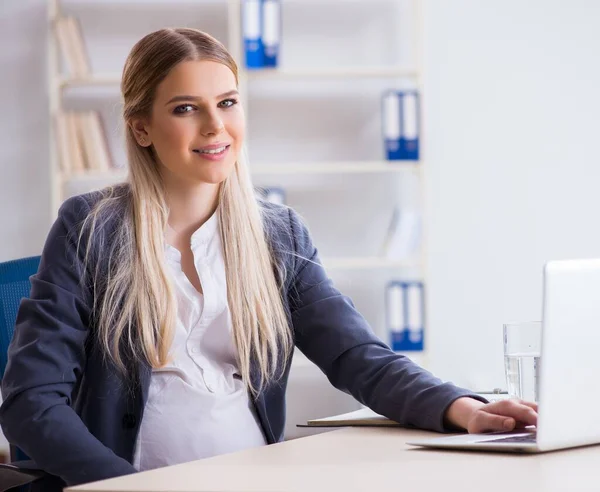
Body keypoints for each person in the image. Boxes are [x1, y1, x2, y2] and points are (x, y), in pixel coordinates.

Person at [0, 28, 537, 492]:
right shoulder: (90, 229)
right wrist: (127, 487)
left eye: (228, 102)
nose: (215, 127)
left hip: (256, 478)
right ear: (141, 128)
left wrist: (461, 408)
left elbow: (356, 356)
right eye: (186, 108)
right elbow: (31, 402)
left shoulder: (277, 233)